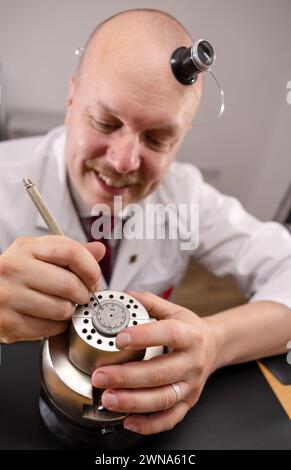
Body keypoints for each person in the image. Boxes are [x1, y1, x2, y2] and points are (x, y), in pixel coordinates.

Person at [0, 8, 291, 436]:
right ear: (71, 98)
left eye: (157, 138)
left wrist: (215, 342)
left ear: (183, 135)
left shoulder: (187, 197)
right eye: (105, 121)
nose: (122, 162)